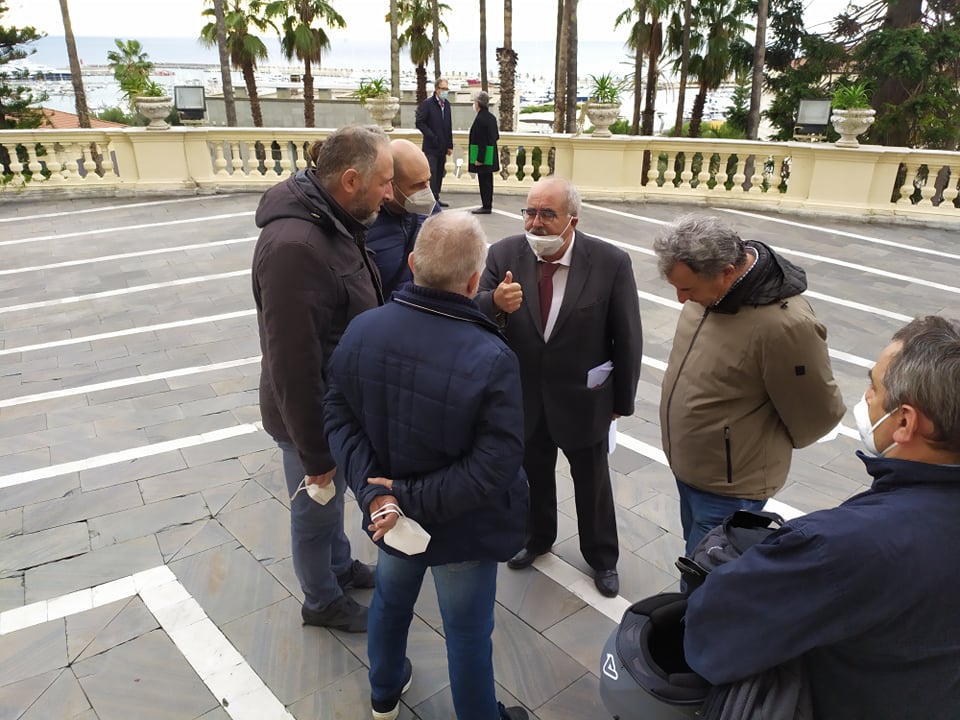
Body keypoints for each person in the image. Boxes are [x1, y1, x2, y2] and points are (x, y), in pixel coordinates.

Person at [684, 315, 960, 720]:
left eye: (873, 386)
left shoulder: (837, 544)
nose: (866, 397)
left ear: (904, 421)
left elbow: (712, 636)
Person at [324, 212, 531, 720]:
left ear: (413, 262)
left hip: (392, 519)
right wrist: (399, 496)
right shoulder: (492, 355)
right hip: (460, 525)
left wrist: (378, 495)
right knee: (467, 633)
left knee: (390, 603)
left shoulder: (364, 328)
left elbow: (338, 416)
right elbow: (495, 466)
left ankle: (384, 691)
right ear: (474, 282)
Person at [251, 125, 394, 633]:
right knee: (315, 509)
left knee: (330, 505)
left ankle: (338, 566)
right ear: (351, 180)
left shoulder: (334, 219)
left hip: (339, 408)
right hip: (312, 418)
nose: (391, 193)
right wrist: (314, 452)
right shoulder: (296, 247)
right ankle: (321, 600)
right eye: (385, 182)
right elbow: (291, 361)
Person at [476, 177, 643, 598]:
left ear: (573, 219)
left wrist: (621, 401)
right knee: (532, 475)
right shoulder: (504, 254)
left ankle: (602, 557)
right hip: (524, 398)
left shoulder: (609, 262)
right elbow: (472, 311)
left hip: (584, 399)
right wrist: (494, 302)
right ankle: (536, 538)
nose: (535, 223)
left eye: (547, 214)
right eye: (530, 212)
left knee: (592, 483)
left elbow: (627, 337)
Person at [653, 214, 845, 557]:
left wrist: (749, 446)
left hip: (729, 487)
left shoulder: (784, 325)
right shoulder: (706, 295)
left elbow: (817, 411)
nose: (681, 299)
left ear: (727, 272)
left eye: (688, 289)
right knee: (694, 556)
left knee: (706, 574)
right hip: (689, 467)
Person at [366, 139, 439, 299]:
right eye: (417, 185)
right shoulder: (364, 222)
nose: (427, 191)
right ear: (391, 185)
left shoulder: (432, 212)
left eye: (428, 181)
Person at [414, 77, 453, 207]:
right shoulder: (427, 104)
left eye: (447, 89)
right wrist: (431, 136)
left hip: (443, 147)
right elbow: (419, 122)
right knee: (432, 173)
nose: (445, 91)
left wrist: (449, 145)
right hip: (431, 146)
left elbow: (448, 125)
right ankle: (430, 199)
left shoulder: (447, 105)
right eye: (443, 88)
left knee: (440, 172)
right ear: (436, 89)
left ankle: (436, 197)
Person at [468, 90, 499, 215]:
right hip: (490, 153)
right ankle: (488, 204)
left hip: (483, 155)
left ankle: (486, 206)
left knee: (484, 181)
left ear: (478, 103)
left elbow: (481, 140)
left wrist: (479, 158)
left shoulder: (480, 119)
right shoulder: (491, 118)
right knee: (488, 181)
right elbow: (495, 136)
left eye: (475, 102)